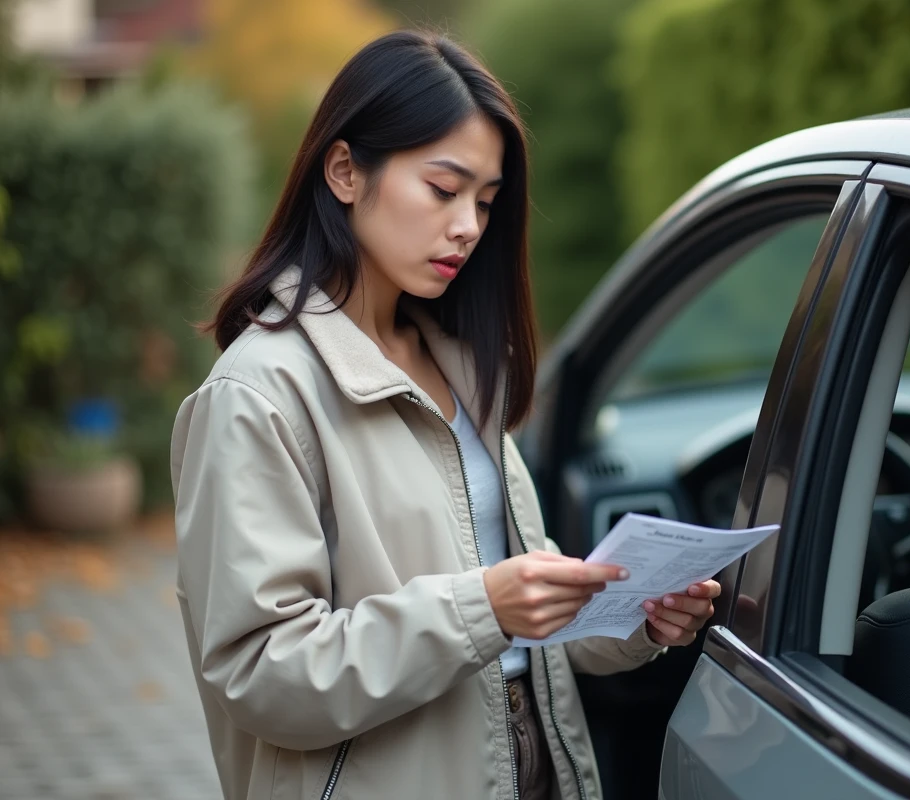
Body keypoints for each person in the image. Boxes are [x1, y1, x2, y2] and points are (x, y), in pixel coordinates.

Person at [170, 30, 719, 800]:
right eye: (442, 188)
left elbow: (520, 616)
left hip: (534, 765)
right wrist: (482, 606)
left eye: (486, 203)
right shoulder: (258, 393)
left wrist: (635, 617)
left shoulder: (460, 363)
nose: (468, 224)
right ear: (344, 171)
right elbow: (261, 673)